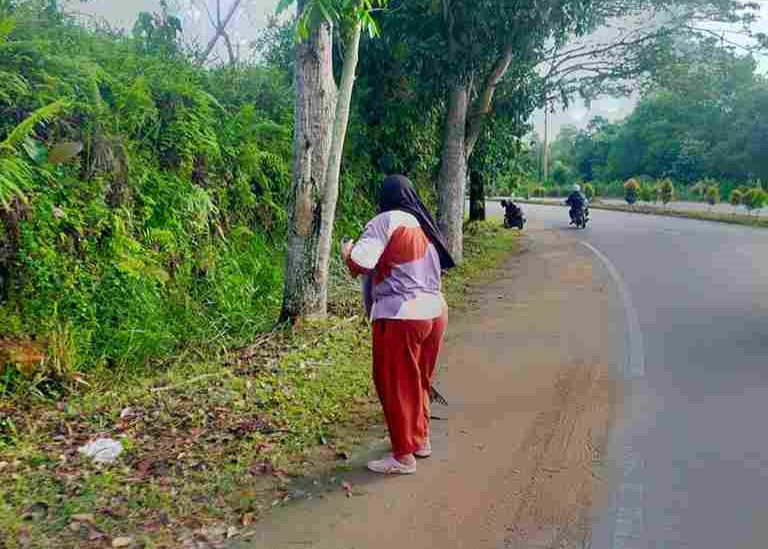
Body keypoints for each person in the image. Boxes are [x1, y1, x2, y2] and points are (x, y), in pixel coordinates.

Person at [342, 175, 455, 475]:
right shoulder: (423, 222)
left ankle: (403, 456)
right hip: (435, 311)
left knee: (395, 383)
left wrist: (347, 252)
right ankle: (420, 441)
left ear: (384, 198)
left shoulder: (385, 221)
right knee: (418, 379)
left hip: (402, 314)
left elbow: (361, 262)